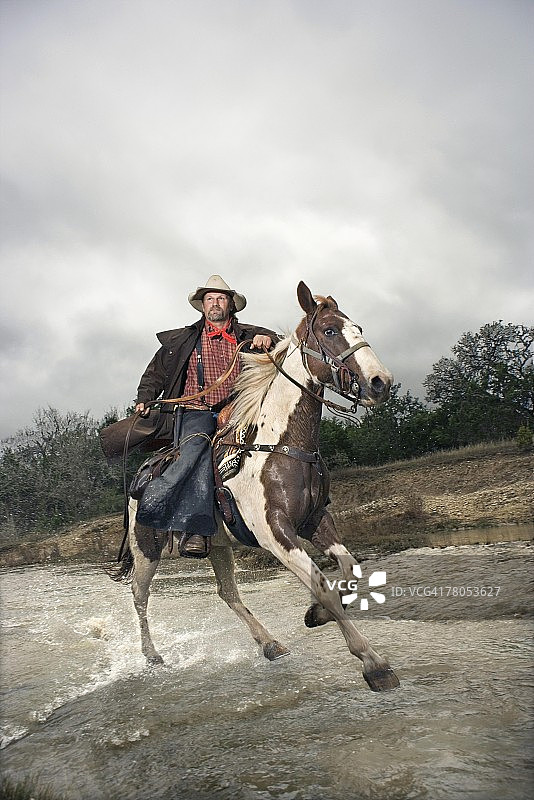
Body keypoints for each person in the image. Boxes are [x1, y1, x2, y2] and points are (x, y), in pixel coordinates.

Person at [133, 275, 276, 558]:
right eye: (209, 299)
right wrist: (145, 398)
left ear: (231, 305)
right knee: (198, 449)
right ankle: (192, 526)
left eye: (221, 298)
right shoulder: (184, 339)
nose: (215, 303)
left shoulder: (248, 335)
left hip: (237, 409)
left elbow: (284, 345)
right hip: (196, 411)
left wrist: (269, 338)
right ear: (202, 306)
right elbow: (155, 373)